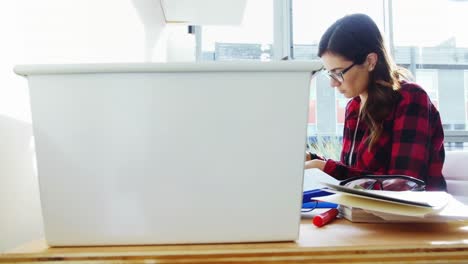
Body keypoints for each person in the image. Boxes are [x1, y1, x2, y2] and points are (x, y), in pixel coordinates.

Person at [305, 13, 447, 191]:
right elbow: (355, 176)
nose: (333, 83)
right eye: (330, 73)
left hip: (415, 217)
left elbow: (405, 185)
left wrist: (326, 169)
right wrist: (314, 160)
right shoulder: (354, 107)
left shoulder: (411, 98)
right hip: (366, 215)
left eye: (338, 72)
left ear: (370, 61)